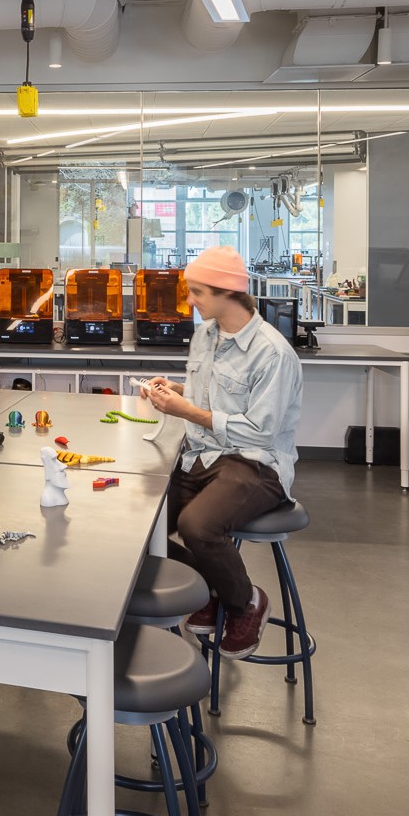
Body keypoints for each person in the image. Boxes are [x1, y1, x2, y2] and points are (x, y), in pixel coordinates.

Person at [141, 244, 300, 660]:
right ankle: (210, 584)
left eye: (197, 292)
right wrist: (176, 392)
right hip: (202, 457)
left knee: (197, 525)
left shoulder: (272, 353)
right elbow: (208, 397)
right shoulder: (205, 335)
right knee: (139, 526)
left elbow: (260, 432)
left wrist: (188, 409)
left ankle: (245, 602)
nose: (190, 301)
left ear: (227, 292)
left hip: (255, 465)